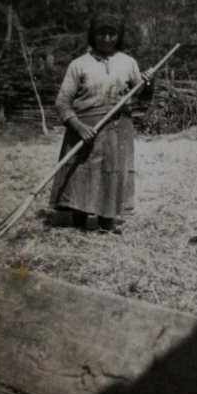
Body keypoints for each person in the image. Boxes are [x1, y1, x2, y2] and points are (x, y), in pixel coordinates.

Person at [50, 13, 155, 234]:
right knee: (82, 172)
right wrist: (78, 126)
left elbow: (143, 97)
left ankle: (108, 222)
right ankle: (79, 222)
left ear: (118, 36)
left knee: (113, 171)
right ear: (93, 35)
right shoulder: (79, 65)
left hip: (118, 128)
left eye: (112, 34)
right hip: (85, 127)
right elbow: (62, 103)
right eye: (101, 33)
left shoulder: (128, 62)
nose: (107, 38)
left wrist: (149, 83)